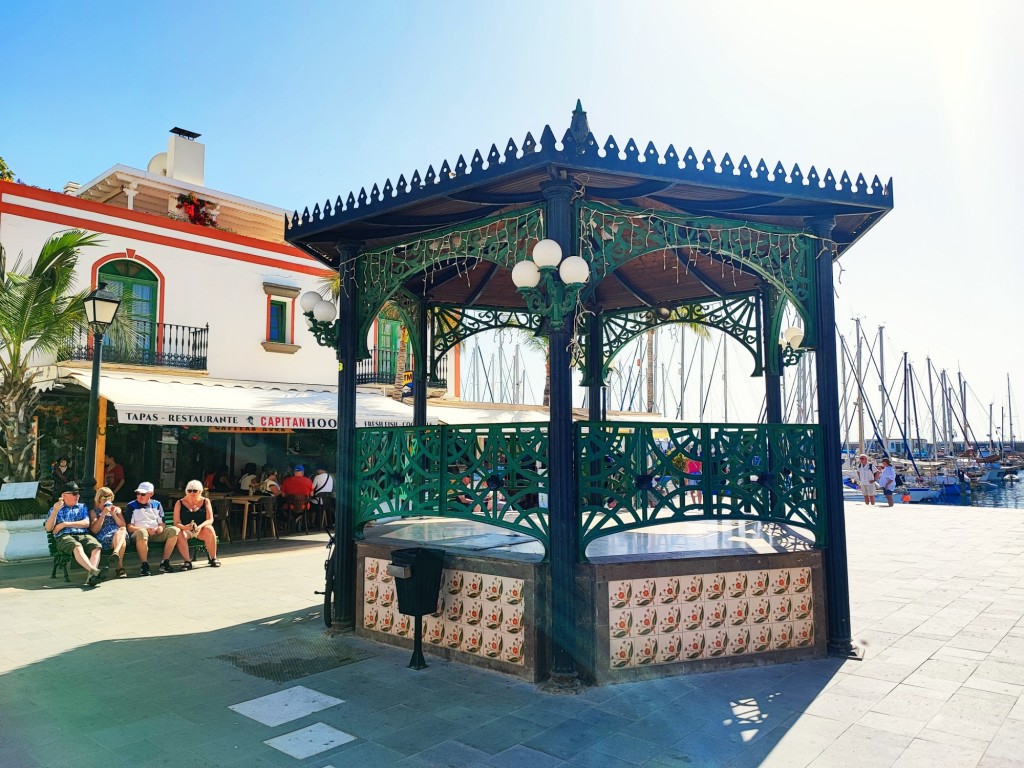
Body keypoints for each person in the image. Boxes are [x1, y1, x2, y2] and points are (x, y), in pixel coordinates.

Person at [43, 482, 105, 586]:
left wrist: (64, 524)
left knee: (96, 546)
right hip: (64, 537)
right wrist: (55, 511)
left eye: (78, 493)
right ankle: (94, 571)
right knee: (77, 546)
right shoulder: (56, 508)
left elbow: (86, 523)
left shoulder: (82, 507)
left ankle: (92, 575)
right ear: (64, 495)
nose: (77, 496)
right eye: (74, 493)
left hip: (82, 535)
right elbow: (48, 528)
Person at [125, 482, 179, 576]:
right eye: (138, 493)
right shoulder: (131, 506)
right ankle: (144, 565)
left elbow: (162, 523)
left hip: (155, 533)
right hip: (138, 534)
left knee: (174, 530)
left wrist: (160, 528)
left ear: (151, 494)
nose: (139, 496)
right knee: (142, 532)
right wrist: (146, 529)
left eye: (143, 494)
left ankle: (165, 562)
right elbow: (130, 527)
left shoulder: (157, 504)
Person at [173, 480, 221, 568]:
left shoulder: (205, 501)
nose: (192, 493)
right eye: (189, 490)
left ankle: (214, 558)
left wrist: (200, 526)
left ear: (200, 491)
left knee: (210, 529)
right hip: (187, 530)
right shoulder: (179, 503)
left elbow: (210, 519)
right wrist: (185, 527)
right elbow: (176, 522)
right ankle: (187, 561)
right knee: (179, 533)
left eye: (195, 491)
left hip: (201, 530)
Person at [89, 486, 128, 578]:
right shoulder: (94, 512)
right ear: (98, 499)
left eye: (109, 497)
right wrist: (103, 514)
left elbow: (122, 525)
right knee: (122, 541)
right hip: (105, 537)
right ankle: (120, 567)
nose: (107, 499)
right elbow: (95, 530)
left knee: (122, 530)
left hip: (119, 534)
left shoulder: (117, 509)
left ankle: (115, 553)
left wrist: (114, 514)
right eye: (104, 497)